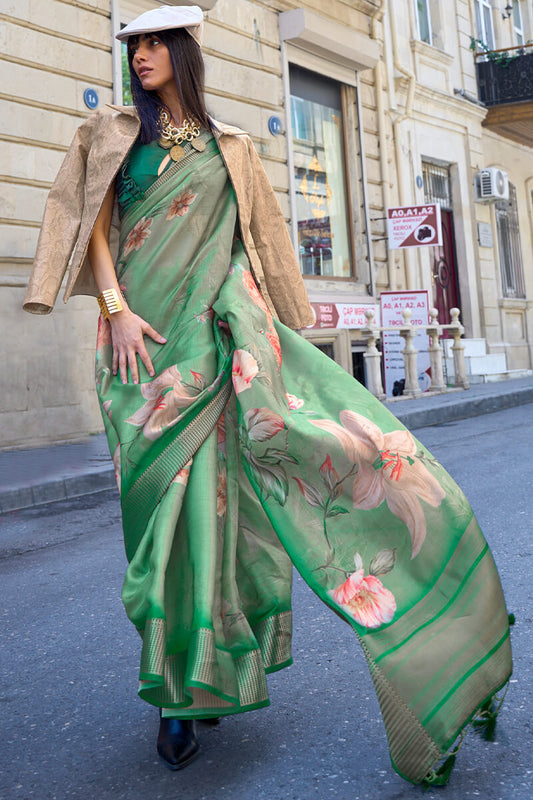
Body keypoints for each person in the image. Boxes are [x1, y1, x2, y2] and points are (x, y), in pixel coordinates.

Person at [24, 4, 512, 786]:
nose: (140, 55)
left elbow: (254, 245)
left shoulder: (235, 148)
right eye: (133, 44)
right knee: (157, 530)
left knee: (216, 520)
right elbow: (94, 230)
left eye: (154, 43)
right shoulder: (111, 134)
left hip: (214, 350)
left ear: (184, 54)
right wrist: (114, 311)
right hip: (137, 358)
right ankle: (189, 673)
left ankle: (185, 695)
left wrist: (263, 318)